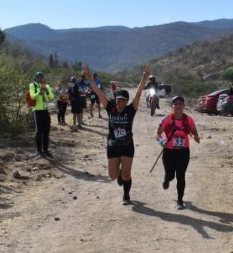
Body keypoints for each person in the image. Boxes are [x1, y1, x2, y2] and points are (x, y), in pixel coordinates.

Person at [83, 64, 148, 206]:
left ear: (126, 101)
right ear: (115, 99)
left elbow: (137, 94)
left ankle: (126, 195)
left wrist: (143, 80)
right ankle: (118, 174)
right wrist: (90, 80)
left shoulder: (131, 110)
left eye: (123, 100)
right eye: (118, 99)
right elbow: (99, 94)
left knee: (126, 175)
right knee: (113, 176)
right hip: (112, 146)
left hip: (127, 146)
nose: (120, 102)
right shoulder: (110, 108)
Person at [155, 95, 201, 209]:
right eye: (176, 103)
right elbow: (157, 133)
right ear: (172, 106)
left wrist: (196, 136)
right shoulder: (166, 119)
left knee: (181, 175)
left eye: (181, 103)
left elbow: (194, 131)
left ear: (184, 106)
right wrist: (161, 141)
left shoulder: (188, 120)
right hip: (169, 152)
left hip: (183, 152)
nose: (178, 105)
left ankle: (180, 200)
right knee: (170, 176)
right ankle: (167, 179)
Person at [30, 71, 55, 158]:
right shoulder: (32, 85)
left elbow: (51, 97)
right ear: (35, 78)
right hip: (37, 111)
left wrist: (47, 91)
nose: (40, 79)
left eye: (41, 77)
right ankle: (39, 151)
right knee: (39, 131)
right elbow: (32, 96)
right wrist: (39, 92)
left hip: (45, 110)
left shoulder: (47, 86)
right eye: (38, 77)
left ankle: (45, 150)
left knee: (46, 130)